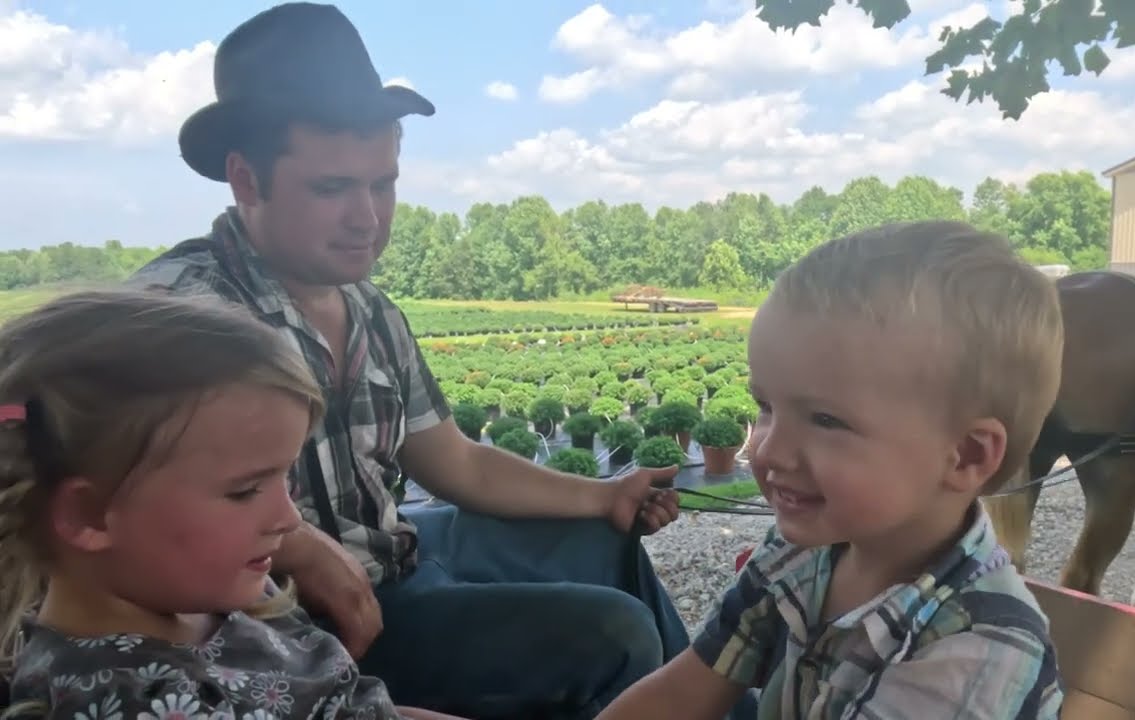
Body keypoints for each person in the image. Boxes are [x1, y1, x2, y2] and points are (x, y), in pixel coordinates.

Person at [124, 4, 758, 719]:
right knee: (610, 635)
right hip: (297, 636)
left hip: (398, 565)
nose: (368, 216)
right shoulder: (173, 316)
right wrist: (299, 547)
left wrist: (605, 495)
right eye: (333, 188)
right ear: (245, 179)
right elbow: (113, 496)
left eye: (383, 183)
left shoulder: (371, 309)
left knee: (602, 541)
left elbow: (455, 462)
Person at [597, 221, 1068, 719]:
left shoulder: (975, 656)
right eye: (765, 406)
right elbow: (680, 694)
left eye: (825, 420)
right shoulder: (800, 552)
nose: (768, 450)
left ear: (967, 455)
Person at [0, 288, 464, 719]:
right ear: (90, 513)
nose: (288, 518)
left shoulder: (220, 589)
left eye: (286, 477)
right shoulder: (135, 701)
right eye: (244, 491)